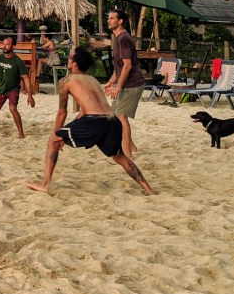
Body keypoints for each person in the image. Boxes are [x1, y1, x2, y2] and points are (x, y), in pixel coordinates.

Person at [25, 47, 156, 195]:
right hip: (112, 121)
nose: (68, 59)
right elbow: (84, 111)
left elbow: (62, 112)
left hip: (95, 121)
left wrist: (57, 134)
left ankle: (45, 183)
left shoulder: (66, 81)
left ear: (74, 65)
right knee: (120, 156)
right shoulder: (92, 80)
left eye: (70, 58)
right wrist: (65, 132)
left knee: (53, 140)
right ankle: (149, 189)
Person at [103, 9, 145, 157]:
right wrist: (110, 82)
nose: (109, 20)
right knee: (115, 116)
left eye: (112, 18)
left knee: (121, 117)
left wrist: (118, 87)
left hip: (132, 84)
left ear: (120, 21)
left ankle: (127, 155)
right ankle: (132, 147)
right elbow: (120, 67)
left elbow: (128, 66)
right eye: (108, 18)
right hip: (127, 84)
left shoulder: (123, 39)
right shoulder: (118, 38)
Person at [0, 36, 35, 139]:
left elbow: (26, 78)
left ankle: (21, 133)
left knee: (13, 109)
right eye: (4, 44)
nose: (4, 47)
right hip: (1, 87)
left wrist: (30, 96)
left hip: (13, 89)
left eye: (7, 44)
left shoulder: (18, 61)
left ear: (13, 47)